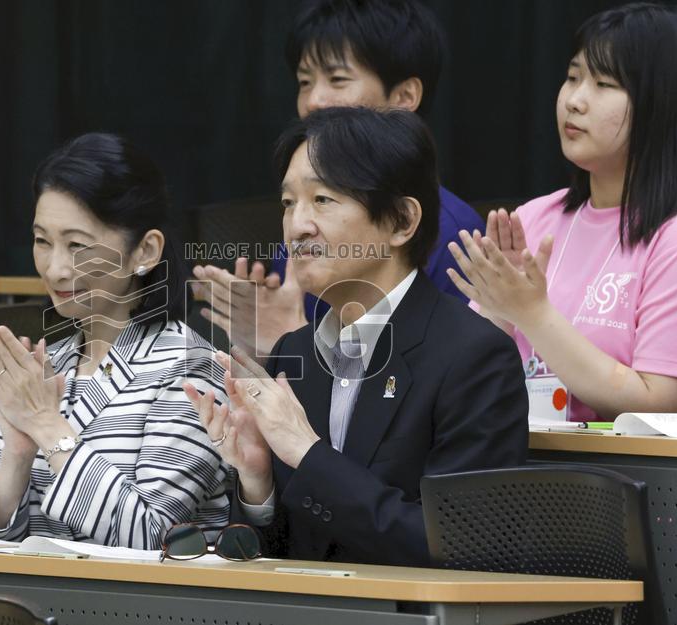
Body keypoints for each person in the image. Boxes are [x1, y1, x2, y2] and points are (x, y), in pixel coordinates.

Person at [185, 107, 528, 566]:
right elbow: (280, 554)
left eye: (323, 199)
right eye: (289, 203)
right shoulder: (295, 351)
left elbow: (465, 548)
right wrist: (257, 483)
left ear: (402, 221)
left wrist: (306, 453)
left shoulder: (475, 357)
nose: (297, 226)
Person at [450, 3, 677, 421]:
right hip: (514, 468)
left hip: (630, 481)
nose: (574, 100)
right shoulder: (537, 217)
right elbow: (466, 380)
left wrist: (532, 313)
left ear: (666, 101)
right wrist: (498, 312)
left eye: (604, 83)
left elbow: (660, 406)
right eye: (573, 77)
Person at [0, 133, 230, 548]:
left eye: (77, 245)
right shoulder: (48, 364)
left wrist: (48, 428)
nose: (55, 269)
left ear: (145, 250)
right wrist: (15, 456)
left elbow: (153, 536)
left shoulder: (190, 367)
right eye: (42, 241)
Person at [191, 0, 484, 361]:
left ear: (404, 96)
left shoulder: (454, 234)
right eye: (304, 82)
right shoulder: (304, 226)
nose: (313, 101)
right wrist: (265, 351)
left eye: (337, 79)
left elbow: (426, 389)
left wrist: (289, 343)